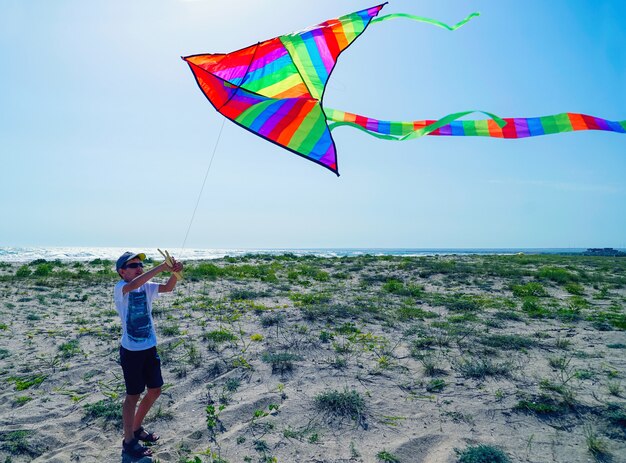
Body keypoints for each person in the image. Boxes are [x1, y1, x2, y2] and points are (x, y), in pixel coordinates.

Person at [114, 251, 183, 459]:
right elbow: (134, 285)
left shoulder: (147, 286)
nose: (139, 267)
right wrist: (162, 267)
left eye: (140, 264)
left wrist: (176, 273)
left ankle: (136, 429)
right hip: (131, 352)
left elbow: (169, 288)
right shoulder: (121, 288)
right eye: (133, 265)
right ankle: (128, 442)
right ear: (122, 272)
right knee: (132, 395)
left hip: (149, 348)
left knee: (155, 390)